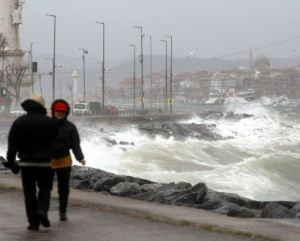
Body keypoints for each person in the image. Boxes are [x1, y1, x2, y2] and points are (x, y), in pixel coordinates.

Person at [6, 94, 58, 231]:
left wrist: (11, 162)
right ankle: (42, 210)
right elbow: (56, 144)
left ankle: (33, 223)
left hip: (26, 164)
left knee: (29, 193)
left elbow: (12, 145)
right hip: (46, 164)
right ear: (42, 106)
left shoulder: (19, 122)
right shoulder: (50, 122)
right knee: (45, 189)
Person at [51, 99, 86, 221]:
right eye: (58, 111)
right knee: (45, 187)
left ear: (66, 113)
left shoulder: (71, 127)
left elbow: (75, 144)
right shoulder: (47, 125)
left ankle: (62, 211)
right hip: (48, 161)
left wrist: (80, 157)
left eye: (62, 112)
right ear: (53, 112)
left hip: (64, 160)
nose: (60, 113)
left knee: (63, 188)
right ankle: (43, 210)